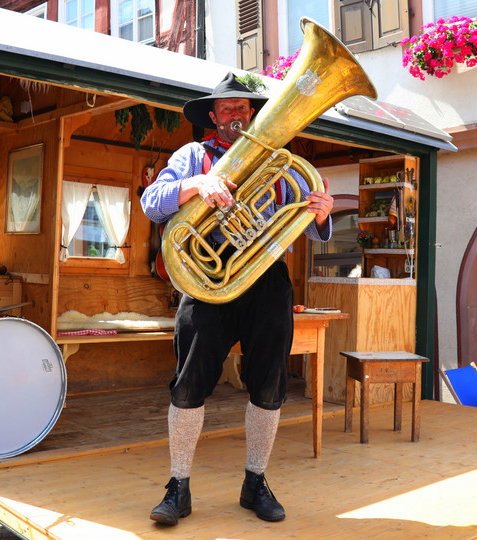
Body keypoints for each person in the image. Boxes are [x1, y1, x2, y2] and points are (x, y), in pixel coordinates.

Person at [139, 72, 333, 525]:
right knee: (189, 383)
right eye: (227, 109)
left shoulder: (282, 165)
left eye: (244, 109)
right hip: (207, 278)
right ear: (213, 116)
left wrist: (322, 215)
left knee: (269, 383)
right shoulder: (194, 156)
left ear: (252, 114)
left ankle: (255, 482)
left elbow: (307, 217)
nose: (236, 116)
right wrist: (195, 186)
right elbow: (152, 202)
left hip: (265, 279)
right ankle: (178, 486)